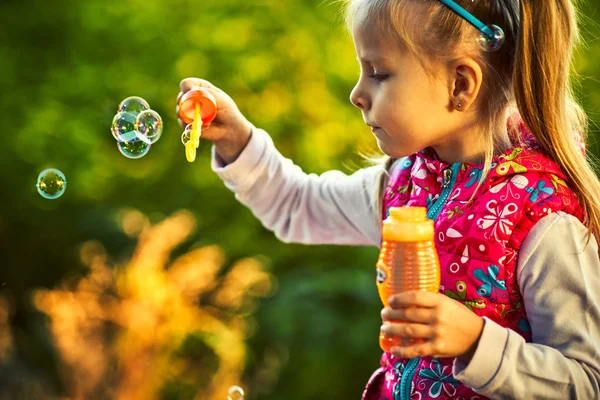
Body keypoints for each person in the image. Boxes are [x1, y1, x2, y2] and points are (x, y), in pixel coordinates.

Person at [175, 0, 600, 398]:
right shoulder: (402, 184)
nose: (356, 94)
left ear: (460, 84)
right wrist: (237, 139)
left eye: (378, 73)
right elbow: (296, 205)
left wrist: (476, 341)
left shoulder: (544, 214)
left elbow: (586, 380)